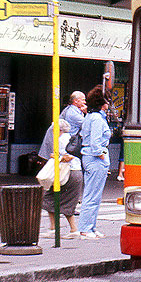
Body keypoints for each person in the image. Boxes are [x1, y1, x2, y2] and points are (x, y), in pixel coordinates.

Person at [78, 85, 111, 239]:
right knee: (92, 195)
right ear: (102, 103)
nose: (109, 103)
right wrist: (101, 155)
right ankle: (85, 228)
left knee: (93, 194)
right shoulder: (97, 119)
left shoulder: (90, 117)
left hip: (89, 157)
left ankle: (90, 227)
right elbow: (96, 142)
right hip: (95, 157)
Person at [39, 118, 81, 238]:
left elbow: (68, 156)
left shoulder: (62, 140)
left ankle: (67, 229)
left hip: (68, 173)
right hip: (74, 173)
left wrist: (57, 157)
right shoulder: (69, 138)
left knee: (52, 199)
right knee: (59, 200)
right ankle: (62, 229)